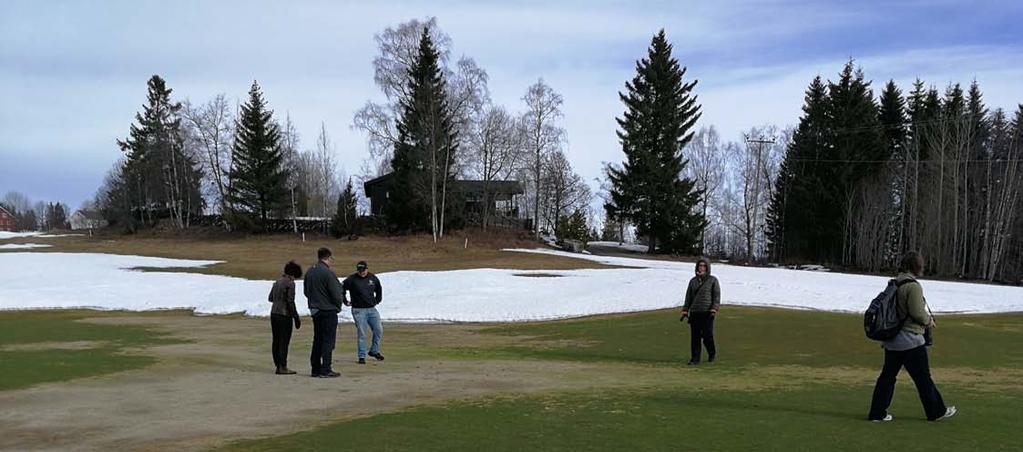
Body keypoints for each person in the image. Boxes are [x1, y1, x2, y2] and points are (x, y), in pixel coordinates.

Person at [868, 251, 957, 422]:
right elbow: (917, 311)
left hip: (892, 340)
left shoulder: (896, 282)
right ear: (916, 266)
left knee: (887, 377)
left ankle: (877, 413)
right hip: (911, 340)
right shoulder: (914, 286)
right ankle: (936, 411)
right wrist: (929, 321)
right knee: (923, 378)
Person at [304, 247, 345, 378]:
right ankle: (326, 368)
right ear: (328, 257)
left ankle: (315, 368)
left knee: (317, 339)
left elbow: (306, 291)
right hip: (327, 310)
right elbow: (336, 293)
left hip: (315, 310)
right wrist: (338, 306)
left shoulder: (310, 271)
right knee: (328, 340)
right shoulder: (328, 273)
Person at [343, 260, 384, 364]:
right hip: (358, 310)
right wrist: (345, 300)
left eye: (363, 270)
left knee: (378, 330)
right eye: (360, 271)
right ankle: (362, 356)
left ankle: (374, 350)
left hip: (372, 309)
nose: (362, 273)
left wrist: (377, 300)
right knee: (362, 332)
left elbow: (379, 289)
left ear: (367, 269)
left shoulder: (373, 278)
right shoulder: (351, 279)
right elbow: (341, 288)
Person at [680, 258, 720, 365]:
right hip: (695, 312)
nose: (701, 267)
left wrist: (714, 309)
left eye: (703, 266)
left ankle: (712, 352)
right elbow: (688, 297)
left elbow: (716, 296)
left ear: (707, 267)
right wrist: (685, 310)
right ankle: (695, 358)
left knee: (707, 335)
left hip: (707, 312)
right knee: (695, 337)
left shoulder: (713, 280)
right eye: (700, 265)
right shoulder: (693, 281)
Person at [268, 261, 302, 375]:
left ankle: (278, 365)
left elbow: (270, 298)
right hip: (284, 315)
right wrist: (296, 316)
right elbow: (290, 301)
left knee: (276, 340)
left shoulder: (277, 282)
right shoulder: (290, 283)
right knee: (284, 341)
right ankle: (283, 366)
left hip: (274, 313)